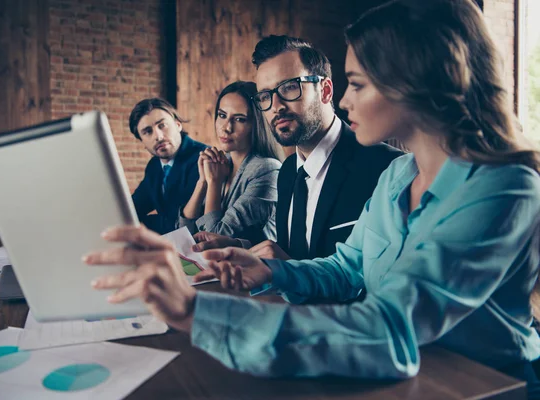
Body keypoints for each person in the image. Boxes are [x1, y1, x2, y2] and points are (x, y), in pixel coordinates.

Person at [84, 0, 540, 392]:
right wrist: (271, 269)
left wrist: (194, 311)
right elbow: (347, 266)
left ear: (414, 81)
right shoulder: (400, 175)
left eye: (357, 84)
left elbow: (390, 325)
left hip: (484, 384)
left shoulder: (505, 186)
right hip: (411, 375)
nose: (345, 100)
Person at [192, 35, 401, 261]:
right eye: (265, 96)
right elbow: (289, 254)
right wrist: (238, 246)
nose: (276, 106)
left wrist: (290, 269)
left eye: (289, 87)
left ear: (325, 90)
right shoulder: (289, 171)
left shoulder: (386, 167)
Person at [178, 81, 282, 245]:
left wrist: (214, 183)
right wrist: (202, 182)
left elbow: (214, 240)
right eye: (222, 115)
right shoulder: (221, 163)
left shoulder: (267, 169)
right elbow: (182, 233)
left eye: (239, 119)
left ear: (257, 124)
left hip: (250, 267)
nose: (226, 127)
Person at [128, 98, 207, 234]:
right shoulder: (154, 166)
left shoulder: (202, 158)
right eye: (147, 131)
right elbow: (133, 208)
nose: (158, 136)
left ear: (178, 125)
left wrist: (145, 224)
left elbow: (182, 223)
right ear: (143, 142)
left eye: (162, 125)